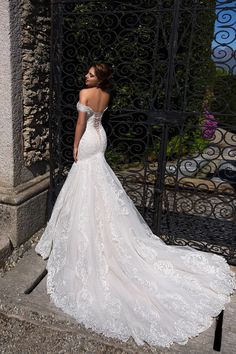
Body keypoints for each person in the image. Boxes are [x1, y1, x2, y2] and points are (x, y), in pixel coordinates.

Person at [35, 63, 235, 348]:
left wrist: (75, 146)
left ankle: (86, 235)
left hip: (90, 140)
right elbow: (97, 119)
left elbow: (80, 124)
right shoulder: (104, 94)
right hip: (101, 138)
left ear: (99, 78)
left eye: (91, 74)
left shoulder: (85, 93)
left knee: (85, 182)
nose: (86, 76)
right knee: (97, 184)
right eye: (87, 74)